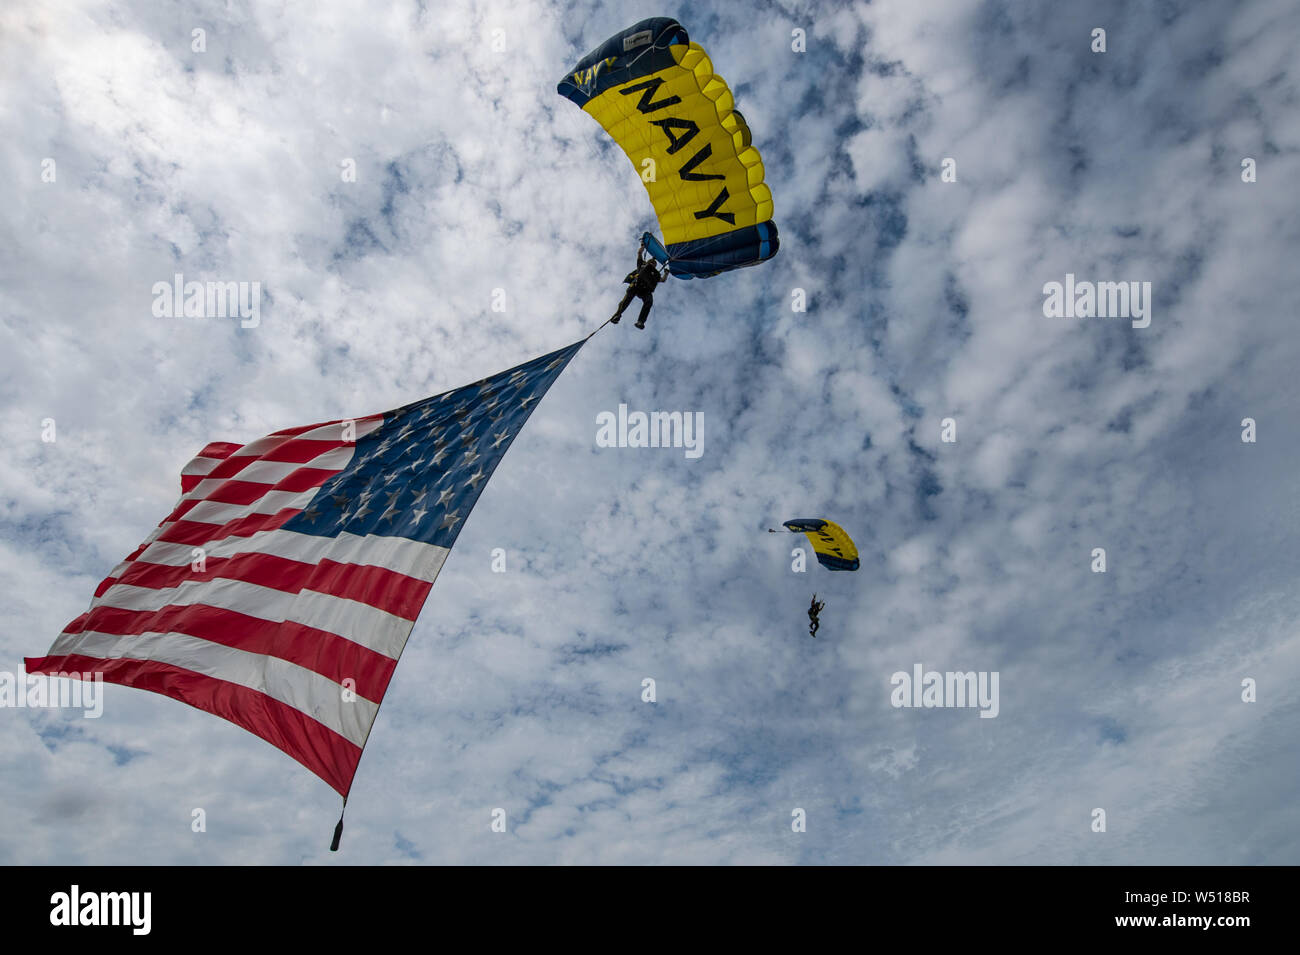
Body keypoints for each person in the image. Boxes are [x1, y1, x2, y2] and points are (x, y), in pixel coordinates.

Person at [611, 243, 669, 329]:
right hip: (636, 284)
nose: (653, 263)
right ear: (648, 262)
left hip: (645, 290)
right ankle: (617, 315)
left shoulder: (655, 275)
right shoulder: (642, 264)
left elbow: (663, 280)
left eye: (654, 263)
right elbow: (639, 253)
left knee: (649, 301)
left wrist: (666, 273)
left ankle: (640, 321)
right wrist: (643, 245)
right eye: (651, 262)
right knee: (627, 299)